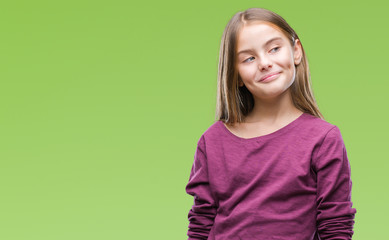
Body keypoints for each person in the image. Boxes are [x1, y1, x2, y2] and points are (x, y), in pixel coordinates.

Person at [185, 7, 356, 240]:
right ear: (235, 75)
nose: (264, 63)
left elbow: (336, 227)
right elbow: (201, 224)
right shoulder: (213, 141)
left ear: (296, 51)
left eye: (274, 49)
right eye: (249, 58)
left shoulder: (323, 138)